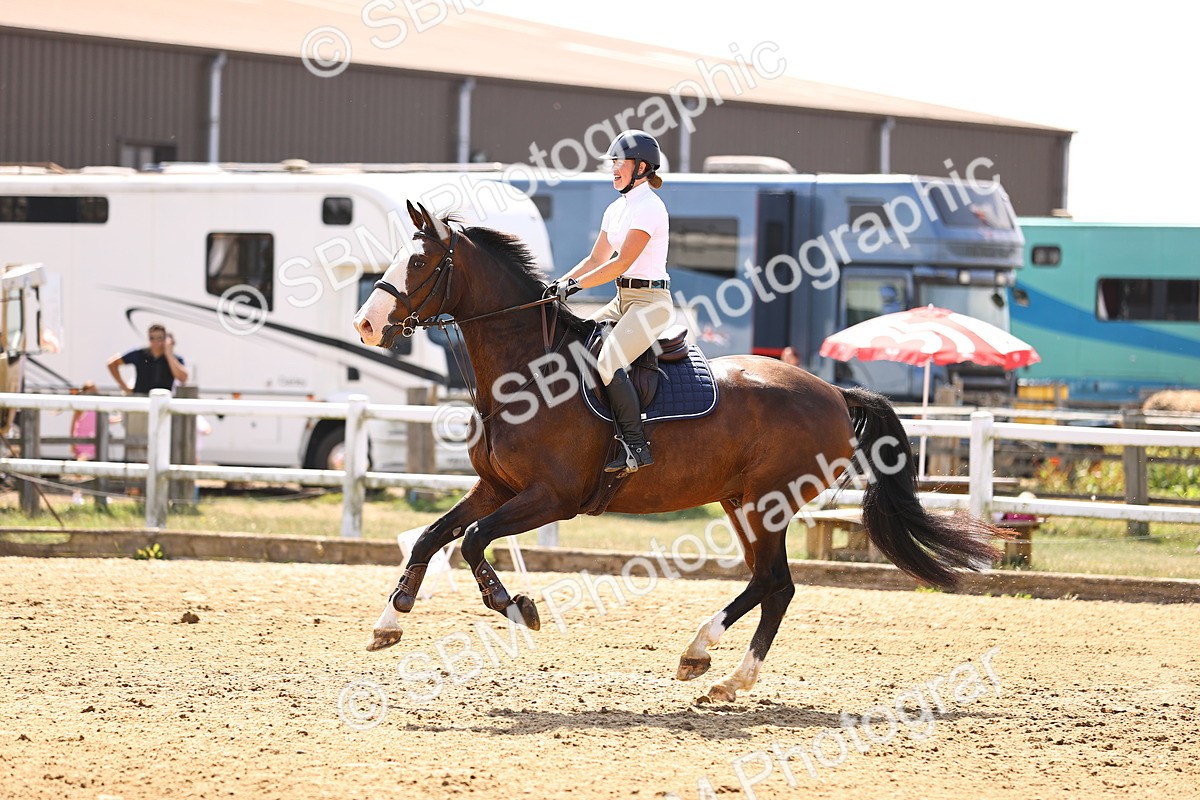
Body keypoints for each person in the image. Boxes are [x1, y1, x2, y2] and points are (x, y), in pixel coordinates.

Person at [546, 129, 673, 473]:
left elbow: (620, 263)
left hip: (650, 303)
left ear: (641, 167)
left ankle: (636, 446)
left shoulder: (650, 207)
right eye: (612, 162)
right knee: (572, 343)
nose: (613, 168)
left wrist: (574, 286)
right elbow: (595, 259)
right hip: (622, 300)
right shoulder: (616, 209)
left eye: (620, 162)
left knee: (608, 361)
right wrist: (556, 285)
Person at [106, 323, 188, 395]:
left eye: (159, 338)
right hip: (140, 399)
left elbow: (183, 378)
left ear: (165, 339)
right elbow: (112, 363)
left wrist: (169, 354)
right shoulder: (140, 354)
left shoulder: (174, 358)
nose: (156, 342)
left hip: (162, 401)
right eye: (152, 338)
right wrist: (124, 387)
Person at [70, 381, 99, 460]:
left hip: (92, 442)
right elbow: (73, 425)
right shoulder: (81, 407)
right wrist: (72, 442)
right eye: (91, 390)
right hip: (81, 441)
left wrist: (120, 418)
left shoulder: (96, 407)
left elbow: (105, 421)